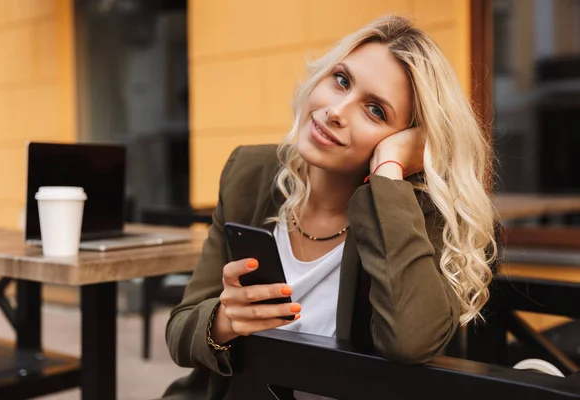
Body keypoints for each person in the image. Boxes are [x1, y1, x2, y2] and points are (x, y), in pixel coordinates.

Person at [164, 14, 497, 400]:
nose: (337, 111)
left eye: (375, 110)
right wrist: (222, 321)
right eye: (341, 80)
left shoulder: (416, 215)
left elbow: (410, 342)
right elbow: (179, 332)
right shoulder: (250, 174)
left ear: (411, 141)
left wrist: (388, 172)